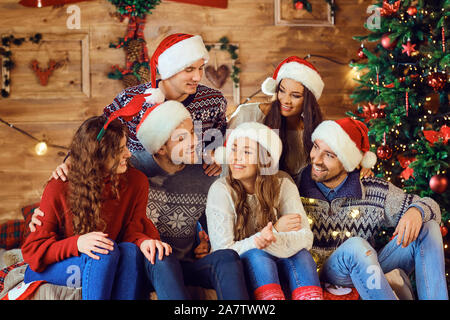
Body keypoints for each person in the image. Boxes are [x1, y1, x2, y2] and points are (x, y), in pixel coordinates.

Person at [295, 117, 448, 300]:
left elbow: (433, 207)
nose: (316, 159)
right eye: (316, 147)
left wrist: (416, 211)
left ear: (348, 162)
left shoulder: (372, 189)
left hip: (368, 267)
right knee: (356, 246)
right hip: (326, 270)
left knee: (428, 227)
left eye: (329, 155)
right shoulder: (295, 187)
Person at [21, 116, 171, 300]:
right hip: (54, 267)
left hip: (105, 260)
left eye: (126, 146)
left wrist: (143, 241)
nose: (129, 154)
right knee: (104, 252)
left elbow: (132, 232)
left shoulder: (136, 182)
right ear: (98, 156)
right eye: (119, 150)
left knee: (129, 251)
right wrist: (77, 244)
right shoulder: (60, 186)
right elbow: (33, 250)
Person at [206, 122, 322, 300]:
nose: (236, 158)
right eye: (234, 149)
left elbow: (306, 237)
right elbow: (223, 252)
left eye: (246, 152)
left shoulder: (282, 183)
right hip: (245, 266)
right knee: (257, 256)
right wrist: (272, 231)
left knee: (303, 256)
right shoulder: (221, 190)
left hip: (281, 261)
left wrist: (270, 238)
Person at [228, 56, 324, 180]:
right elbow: (228, 160)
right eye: (282, 91)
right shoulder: (248, 114)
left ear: (308, 101)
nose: (285, 100)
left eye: (295, 96)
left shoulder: (313, 132)